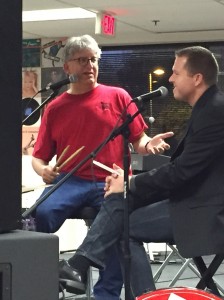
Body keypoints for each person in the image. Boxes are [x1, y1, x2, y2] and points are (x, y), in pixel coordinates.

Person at [58, 46, 224, 298]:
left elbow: (183, 172)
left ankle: (132, 290)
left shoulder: (215, 112)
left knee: (123, 225)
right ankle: (80, 267)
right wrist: (128, 185)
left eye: (175, 73)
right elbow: (188, 170)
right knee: (121, 201)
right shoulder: (210, 107)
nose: (170, 79)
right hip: (202, 201)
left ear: (196, 79)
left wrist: (129, 183)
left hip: (217, 213)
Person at [31, 34, 174, 299]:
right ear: (67, 68)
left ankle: (106, 293)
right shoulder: (55, 108)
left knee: (118, 232)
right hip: (70, 179)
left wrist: (148, 143)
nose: (90, 65)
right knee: (36, 217)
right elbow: (38, 158)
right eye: (82, 60)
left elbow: (138, 138)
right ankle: (40, 280)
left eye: (94, 59)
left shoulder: (118, 96)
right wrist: (43, 171)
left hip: (113, 181)